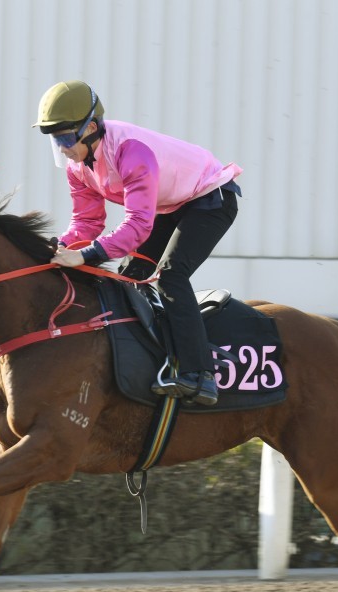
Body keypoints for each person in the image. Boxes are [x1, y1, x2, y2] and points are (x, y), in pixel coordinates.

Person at [34, 80, 242, 406]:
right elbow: (87, 223)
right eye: (54, 139)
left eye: (64, 137)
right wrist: (59, 248)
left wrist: (86, 255)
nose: (61, 147)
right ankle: (157, 357)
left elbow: (138, 224)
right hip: (171, 204)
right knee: (131, 275)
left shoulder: (130, 151)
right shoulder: (77, 167)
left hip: (210, 198)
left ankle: (198, 374)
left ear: (89, 128)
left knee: (170, 275)